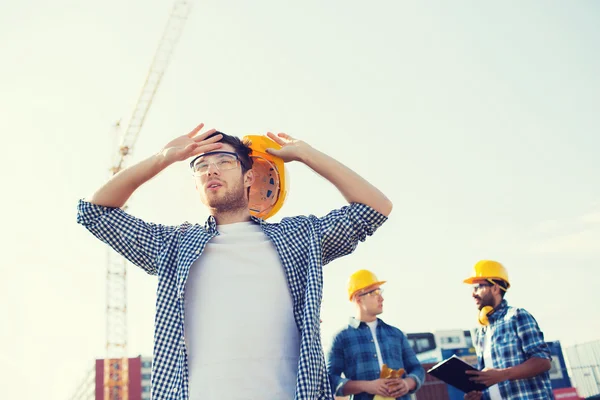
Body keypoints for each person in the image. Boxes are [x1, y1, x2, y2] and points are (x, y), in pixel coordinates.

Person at [76, 123, 393, 400]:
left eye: (225, 161)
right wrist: (162, 158)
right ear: (197, 185)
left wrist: (307, 155)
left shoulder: (298, 238)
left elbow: (375, 208)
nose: (211, 170)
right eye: (201, 165)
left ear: (248, 176)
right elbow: (94, 213)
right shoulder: (174, 246)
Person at [462, 260, 553, 400]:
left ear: (495, 288)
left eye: (478, 286)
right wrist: (477, 396)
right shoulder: (481, 333)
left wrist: (502, 374)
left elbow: (543, 361)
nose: (473, 294)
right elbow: (488, 381)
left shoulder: (517, 316)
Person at [327, 270, 424, 400]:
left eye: (380, 291)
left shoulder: (396, 334)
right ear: (358, 297)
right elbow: (330, 380)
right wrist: (366, 386)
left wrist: (407, 383)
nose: (381, 298)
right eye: (374, 293)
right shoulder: (341, 338)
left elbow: (417, 368)